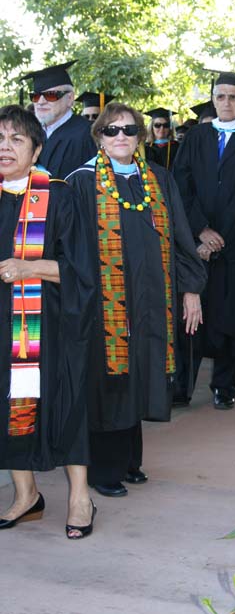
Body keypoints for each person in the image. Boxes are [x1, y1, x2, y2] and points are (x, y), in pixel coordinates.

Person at [67, 102, 206, 496]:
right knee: (111, 379)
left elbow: (180, 234)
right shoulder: (82, 182)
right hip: (105, 302)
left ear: (141, 136)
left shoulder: (158, 180)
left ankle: (130, 460)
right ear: (99, 137)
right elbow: (70, 247)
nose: (121, 136)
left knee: (141, 372)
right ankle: (103, 471)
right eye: (111, 130)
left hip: (151, 299)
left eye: (129, 129)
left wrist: (192, 287)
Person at [0, 105, 94, 539]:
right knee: (9, 405)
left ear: (37, 149)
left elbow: (82, 270)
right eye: (0, 139)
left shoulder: (58, 195)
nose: (5, 147)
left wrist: (29, 268)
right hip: (4, 328)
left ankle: (80, 497)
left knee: (66, 404)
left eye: (16, 139)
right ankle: (27, 496)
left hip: (53, 325)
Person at [173, 71, 235, 409]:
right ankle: (181, 387)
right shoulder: (197, 137)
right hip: (194, 244)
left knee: (230, 316)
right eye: (220, 96)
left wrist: (219, 241)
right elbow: (180, 187)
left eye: (233, 97)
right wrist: (198, 231)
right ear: (213, 99)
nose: (226, 103)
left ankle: (224, 387)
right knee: (189, 315)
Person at [21, 61, 96, 179]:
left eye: (50, 95)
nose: (40, 102)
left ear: (70, 98)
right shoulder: (29, 133)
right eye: (35, 96)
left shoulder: (89, 134)